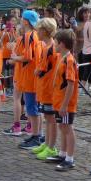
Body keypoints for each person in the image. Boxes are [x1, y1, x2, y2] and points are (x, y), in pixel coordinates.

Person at [47, 29, 78, 170]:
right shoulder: (62, 57)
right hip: (59, 101)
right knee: (62, 126)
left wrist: (65, 105)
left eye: (56, 43)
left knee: (67, 128)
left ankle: (70, 158)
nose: (54, 45)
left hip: (66, 104)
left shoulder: (69, 60)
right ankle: (63, 153)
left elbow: (71, 84)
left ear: (62, 44)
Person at [31, 18, 59, 160]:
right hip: (45, 87)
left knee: (50, 118)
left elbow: (43, 68)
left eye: (39, 30)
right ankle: (47, 143)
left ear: (44, 31)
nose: (37, 32)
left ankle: (51, 147)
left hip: (49, 89)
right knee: (48, 118)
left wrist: (37, 71)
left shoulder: (50, 48)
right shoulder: (47, 47)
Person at [14, 10, 42, 149]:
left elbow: (27, 57)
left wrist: (14, 57)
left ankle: (36, 137)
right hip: (33, 76)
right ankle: (37, 135)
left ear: (25, 21)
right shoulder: (35, 34)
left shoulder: (28, 36)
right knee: (34, 108)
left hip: (29, 76)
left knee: (32, 108)